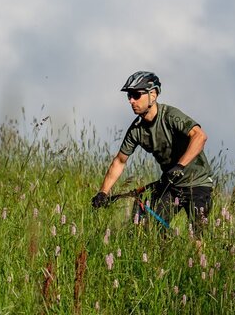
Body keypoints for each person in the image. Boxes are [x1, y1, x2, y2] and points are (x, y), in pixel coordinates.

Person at [92, 71, 215, 232]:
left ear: (153, 94)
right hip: (171, 186)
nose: (131, 101)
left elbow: (200, 136)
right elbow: (120, 161)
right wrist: (103, 192)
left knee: (198, 236)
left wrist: (180, 166)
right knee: (153, 232)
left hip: (198, 184)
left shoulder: (170, 116)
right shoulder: (136, 130)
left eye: (136, 95)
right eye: (129, 96)